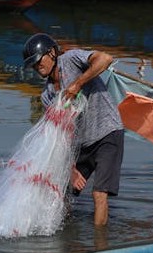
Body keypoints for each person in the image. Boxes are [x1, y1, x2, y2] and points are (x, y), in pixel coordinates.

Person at [22, 32, 123, 227]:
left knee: (99, 193)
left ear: (51, 53)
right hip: (81, 144)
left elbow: (105, 59)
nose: (37, 66)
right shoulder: (47, 96)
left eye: (38, 60)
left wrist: (77, 84)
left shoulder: (71, 60)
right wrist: (72, 170)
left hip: (107, 133)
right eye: (33, 64)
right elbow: (59, 136)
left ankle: (99, 247)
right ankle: (66, 239)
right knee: (61, 194)